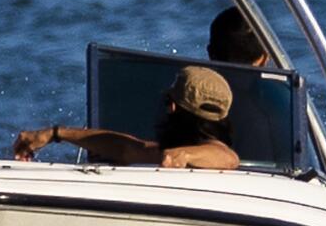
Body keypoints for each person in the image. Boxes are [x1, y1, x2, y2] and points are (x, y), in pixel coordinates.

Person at [13, 65, 239, 171]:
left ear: (172, 107)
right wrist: (56, 133)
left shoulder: (208, 158)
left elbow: (227, 158)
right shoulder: (176, 154)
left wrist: (182, 154)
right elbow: (126, 149)